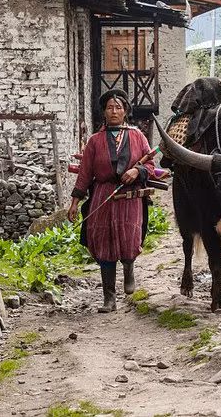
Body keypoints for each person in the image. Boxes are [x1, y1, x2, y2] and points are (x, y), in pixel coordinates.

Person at [68, 89, 155, 312]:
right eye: (109, 108)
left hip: (129, 196)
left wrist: (137, 172)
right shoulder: (95, 141)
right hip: (103, 196)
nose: (114, 111)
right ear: (104, 112)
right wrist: (75, 203)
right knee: (103, 243)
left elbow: (151, 166)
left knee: (129, 238)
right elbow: (86, 172)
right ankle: (109, 298)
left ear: (125, 111)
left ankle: (129, 270)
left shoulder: (137, 136)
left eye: (118, 107)